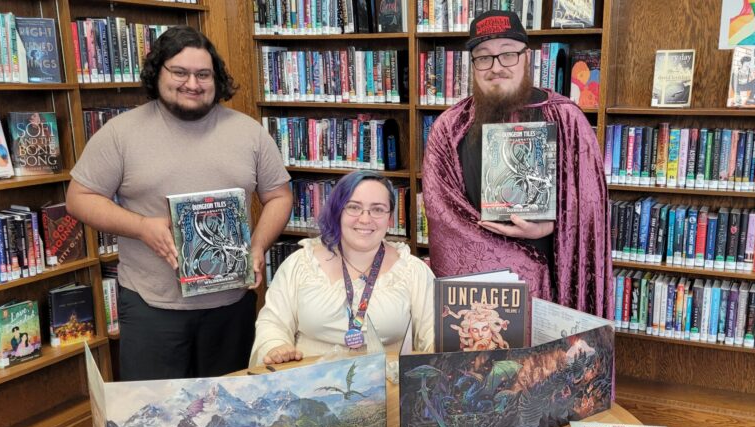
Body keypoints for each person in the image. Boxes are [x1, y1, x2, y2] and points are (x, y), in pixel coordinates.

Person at [66, 26, 293, 380]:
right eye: (180, 72)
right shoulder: (121, 133)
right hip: (151, 305)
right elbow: (78, 199)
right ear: (158, 73)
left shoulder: (248, 132)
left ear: (216, 78)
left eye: (203, 74)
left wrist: (259, 245)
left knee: (230, 411)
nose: (193, 83)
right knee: (154, 415)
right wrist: (141, 227)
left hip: (231, 304)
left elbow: (279, 196)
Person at [422, 11, 611, 318]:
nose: (496, 67)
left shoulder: (567, 120)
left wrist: (551, 227)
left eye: (507, 54)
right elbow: (443, 215)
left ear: (527, 58)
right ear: (473, 66)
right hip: (483, 295)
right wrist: (517, 260)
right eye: (483, 57)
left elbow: (590, 211)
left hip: (552, 282)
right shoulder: (450, 128)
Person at [251, 171, 435, 366]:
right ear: (338, 210)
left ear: (390, 217)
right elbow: (272, 323)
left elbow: (433, 334)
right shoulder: (300, 264)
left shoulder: (412, 270)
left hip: (389, 385)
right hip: (311, 384)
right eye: (354, 207)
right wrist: (276, 346)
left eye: (378, 209)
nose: (365, 219)